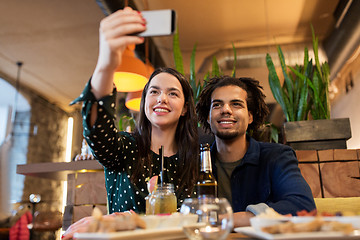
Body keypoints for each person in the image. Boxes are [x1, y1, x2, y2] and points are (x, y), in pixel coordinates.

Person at [64, 7, 199, 239]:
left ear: (186, 108)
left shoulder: (197, 158)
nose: (162, 98)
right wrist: (106, 64)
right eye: (154, 92)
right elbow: (97, 131)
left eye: (173, 94)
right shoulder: (124, 148)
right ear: (144, 102)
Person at [196, 75, 316, 227]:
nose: (225, 110)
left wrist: (226, 220)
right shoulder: (195, 165)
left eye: (236, 104)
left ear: (250, 116)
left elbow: (302, 205)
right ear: (208, 117)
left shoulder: (277, 157)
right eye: (217, 105)